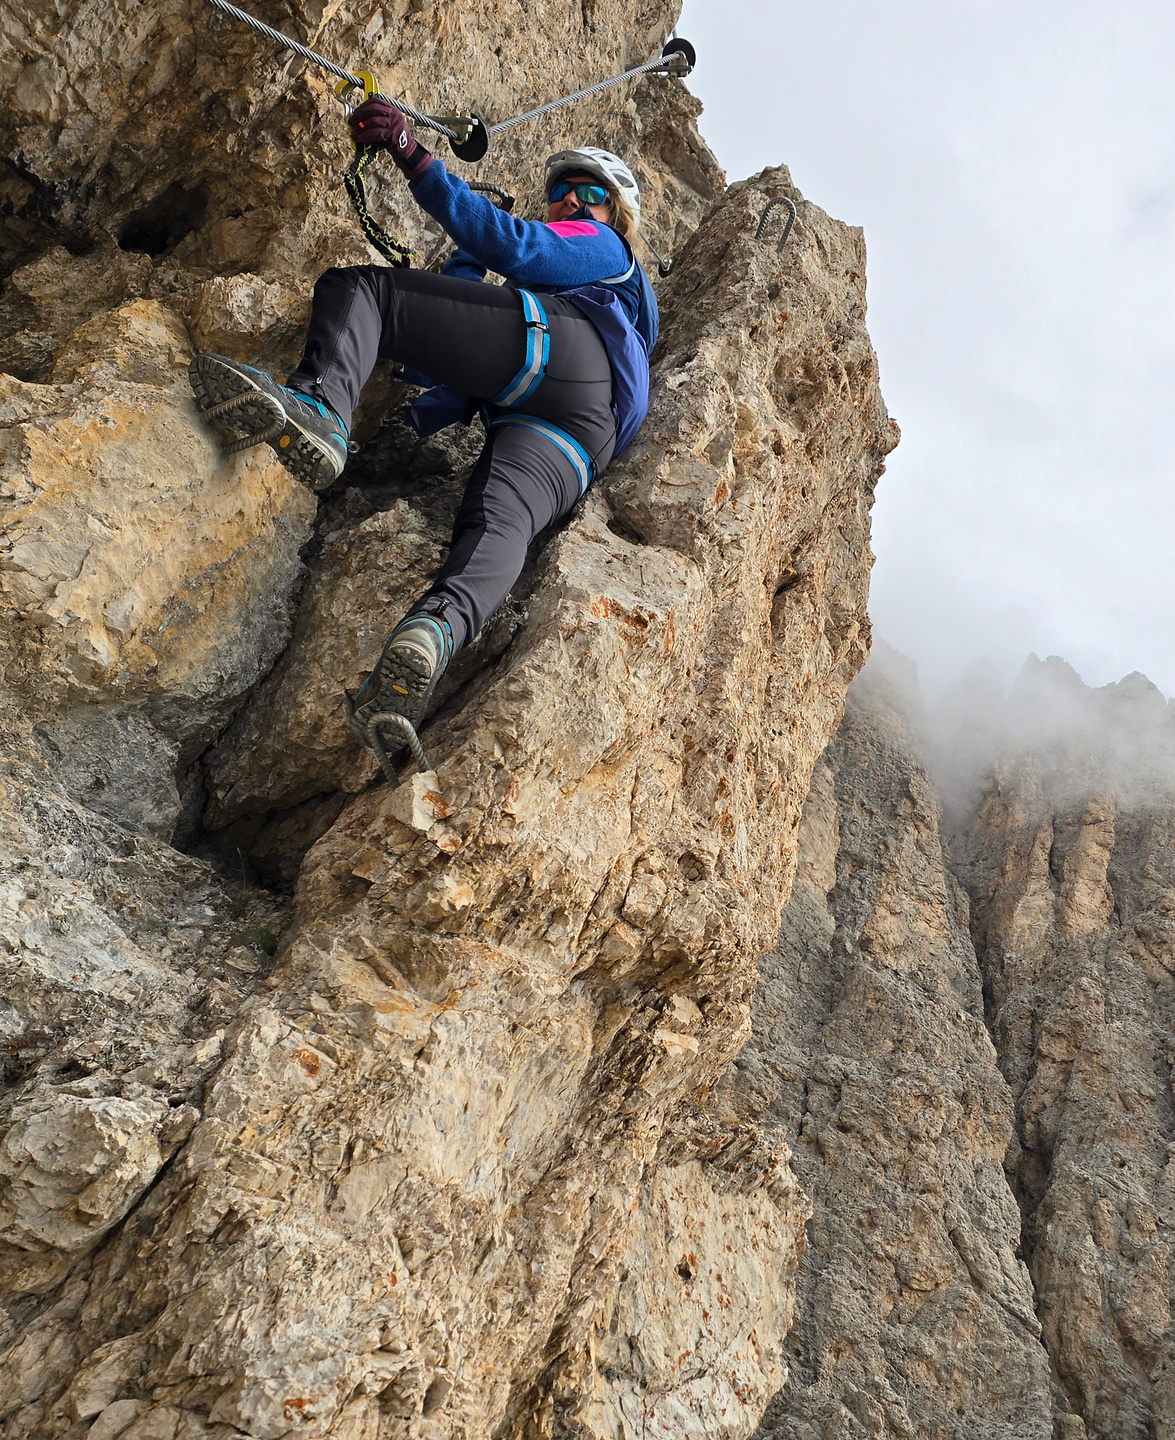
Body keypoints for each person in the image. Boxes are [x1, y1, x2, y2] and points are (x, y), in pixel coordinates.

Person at [188, 99, 658, 771]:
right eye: (560, 197)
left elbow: (516, 246)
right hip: (581, 431)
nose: (573, 204)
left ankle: (321, 407)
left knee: (365, 292)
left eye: (592, 196)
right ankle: (429, 639)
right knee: (497, 523)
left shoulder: (606, 250)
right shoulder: (617, 302)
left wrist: (414, 156)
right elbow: (460, 300)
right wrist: (469, 251)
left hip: (558, 352)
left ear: (617, 217)